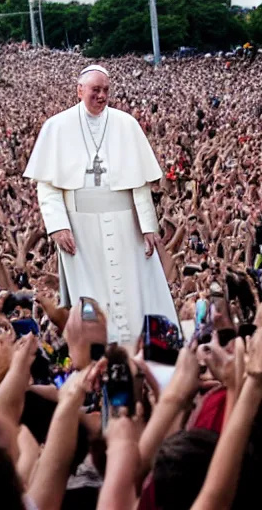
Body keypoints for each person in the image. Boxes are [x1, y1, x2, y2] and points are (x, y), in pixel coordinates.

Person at [23, 65, 178, 354]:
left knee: (136, 291)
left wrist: (148, 226)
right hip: (80, 227)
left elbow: (139, 183)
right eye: (96, 89)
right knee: (91, 297)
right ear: (79, 90)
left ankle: (146, 351)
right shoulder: (56, 127)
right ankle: (96, 354)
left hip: (124, 224)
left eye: (106, 89)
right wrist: (57, 226)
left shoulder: (126, 124)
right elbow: (47, 186)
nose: (102, 95)